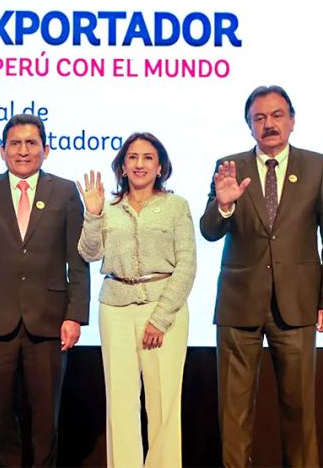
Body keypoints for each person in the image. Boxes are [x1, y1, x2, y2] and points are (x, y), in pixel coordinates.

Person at [199, 85, 323, 467]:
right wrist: (224, 205)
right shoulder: (229, 166)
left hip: (297, 305)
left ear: (292, 121)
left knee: (299, 412)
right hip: (238, 305)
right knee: (233, 415)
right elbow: (210, 230)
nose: (269, 124)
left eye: (277, 115)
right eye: (259, 118)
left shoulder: (316, 166)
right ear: (249, 125)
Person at [0, 114, 90, 467]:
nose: (23, 151)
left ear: (46, 149)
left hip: (49, 321)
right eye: (15, 144)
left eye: (31, 143)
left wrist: (75, 315)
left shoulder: (65, 192)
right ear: (2, 151)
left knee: (46, 421)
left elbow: (77, 260)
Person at [76, 132, 196, 468]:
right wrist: (93, 215)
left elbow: (187, 265)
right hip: (115, 307)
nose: (139, 164)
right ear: (122, 166)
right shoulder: (107, 208)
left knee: (163, 403)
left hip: (164, 308)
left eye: (147, 157)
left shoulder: (176, 206)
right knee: (120, 401)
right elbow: (89, 253)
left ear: (160, 167)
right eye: (132, 157)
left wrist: (160, 318)